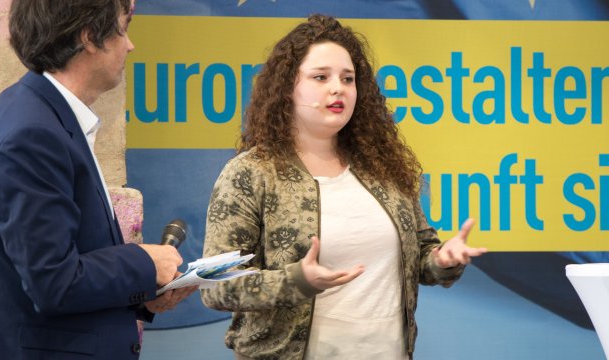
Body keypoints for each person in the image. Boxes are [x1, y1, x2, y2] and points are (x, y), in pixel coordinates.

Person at [200, 14, 488, 360]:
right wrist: (297, 280)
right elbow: (215, 285)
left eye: (347, 79)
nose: (337, 88)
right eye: (320, 77)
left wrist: (443, 259)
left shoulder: (382, 166)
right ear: (287, 87)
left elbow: (422, 258)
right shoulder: (251, 173)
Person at [0, 1, 196, 359]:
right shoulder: (32, 132)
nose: (131, 45)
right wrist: (144, 263)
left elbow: (53, 266)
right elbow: (52, 283)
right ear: (89, 37)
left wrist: (144, 293)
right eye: (124, 27)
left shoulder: (39, 116)